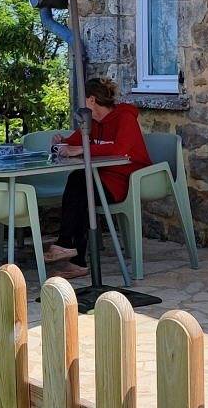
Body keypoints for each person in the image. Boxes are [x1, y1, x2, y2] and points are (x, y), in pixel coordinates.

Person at [50, 77, 152, 274]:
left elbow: (120, 149)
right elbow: (74, 142)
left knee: (80, 186)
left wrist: (80, 149)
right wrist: (62, 142)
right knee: (80, 184)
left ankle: (72, 254)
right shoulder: (91, 124)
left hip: (125, 181)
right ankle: (72, 254)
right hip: (101, 178)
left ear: (91, 100)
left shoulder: (125, 118)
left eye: (83, 100)